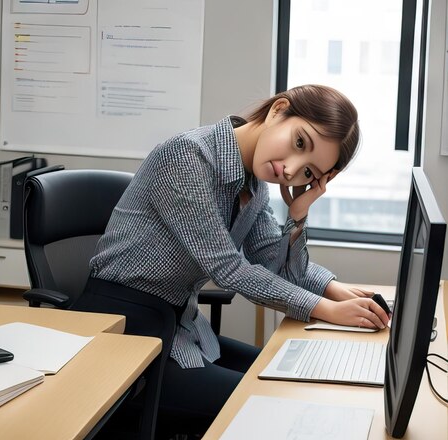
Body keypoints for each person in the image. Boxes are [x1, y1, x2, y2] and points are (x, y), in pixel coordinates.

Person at [81, 84, 391, 436]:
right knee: (274, 404)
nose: (291, 170)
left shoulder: (253, 182)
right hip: (125, 333)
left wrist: (301, 220)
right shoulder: (186, 156)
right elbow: (229, 269)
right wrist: (326, 308)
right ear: (279, 110)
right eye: (300, 143)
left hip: (178, 326)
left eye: (309, 172)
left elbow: (275, 266)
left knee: (289, 379)